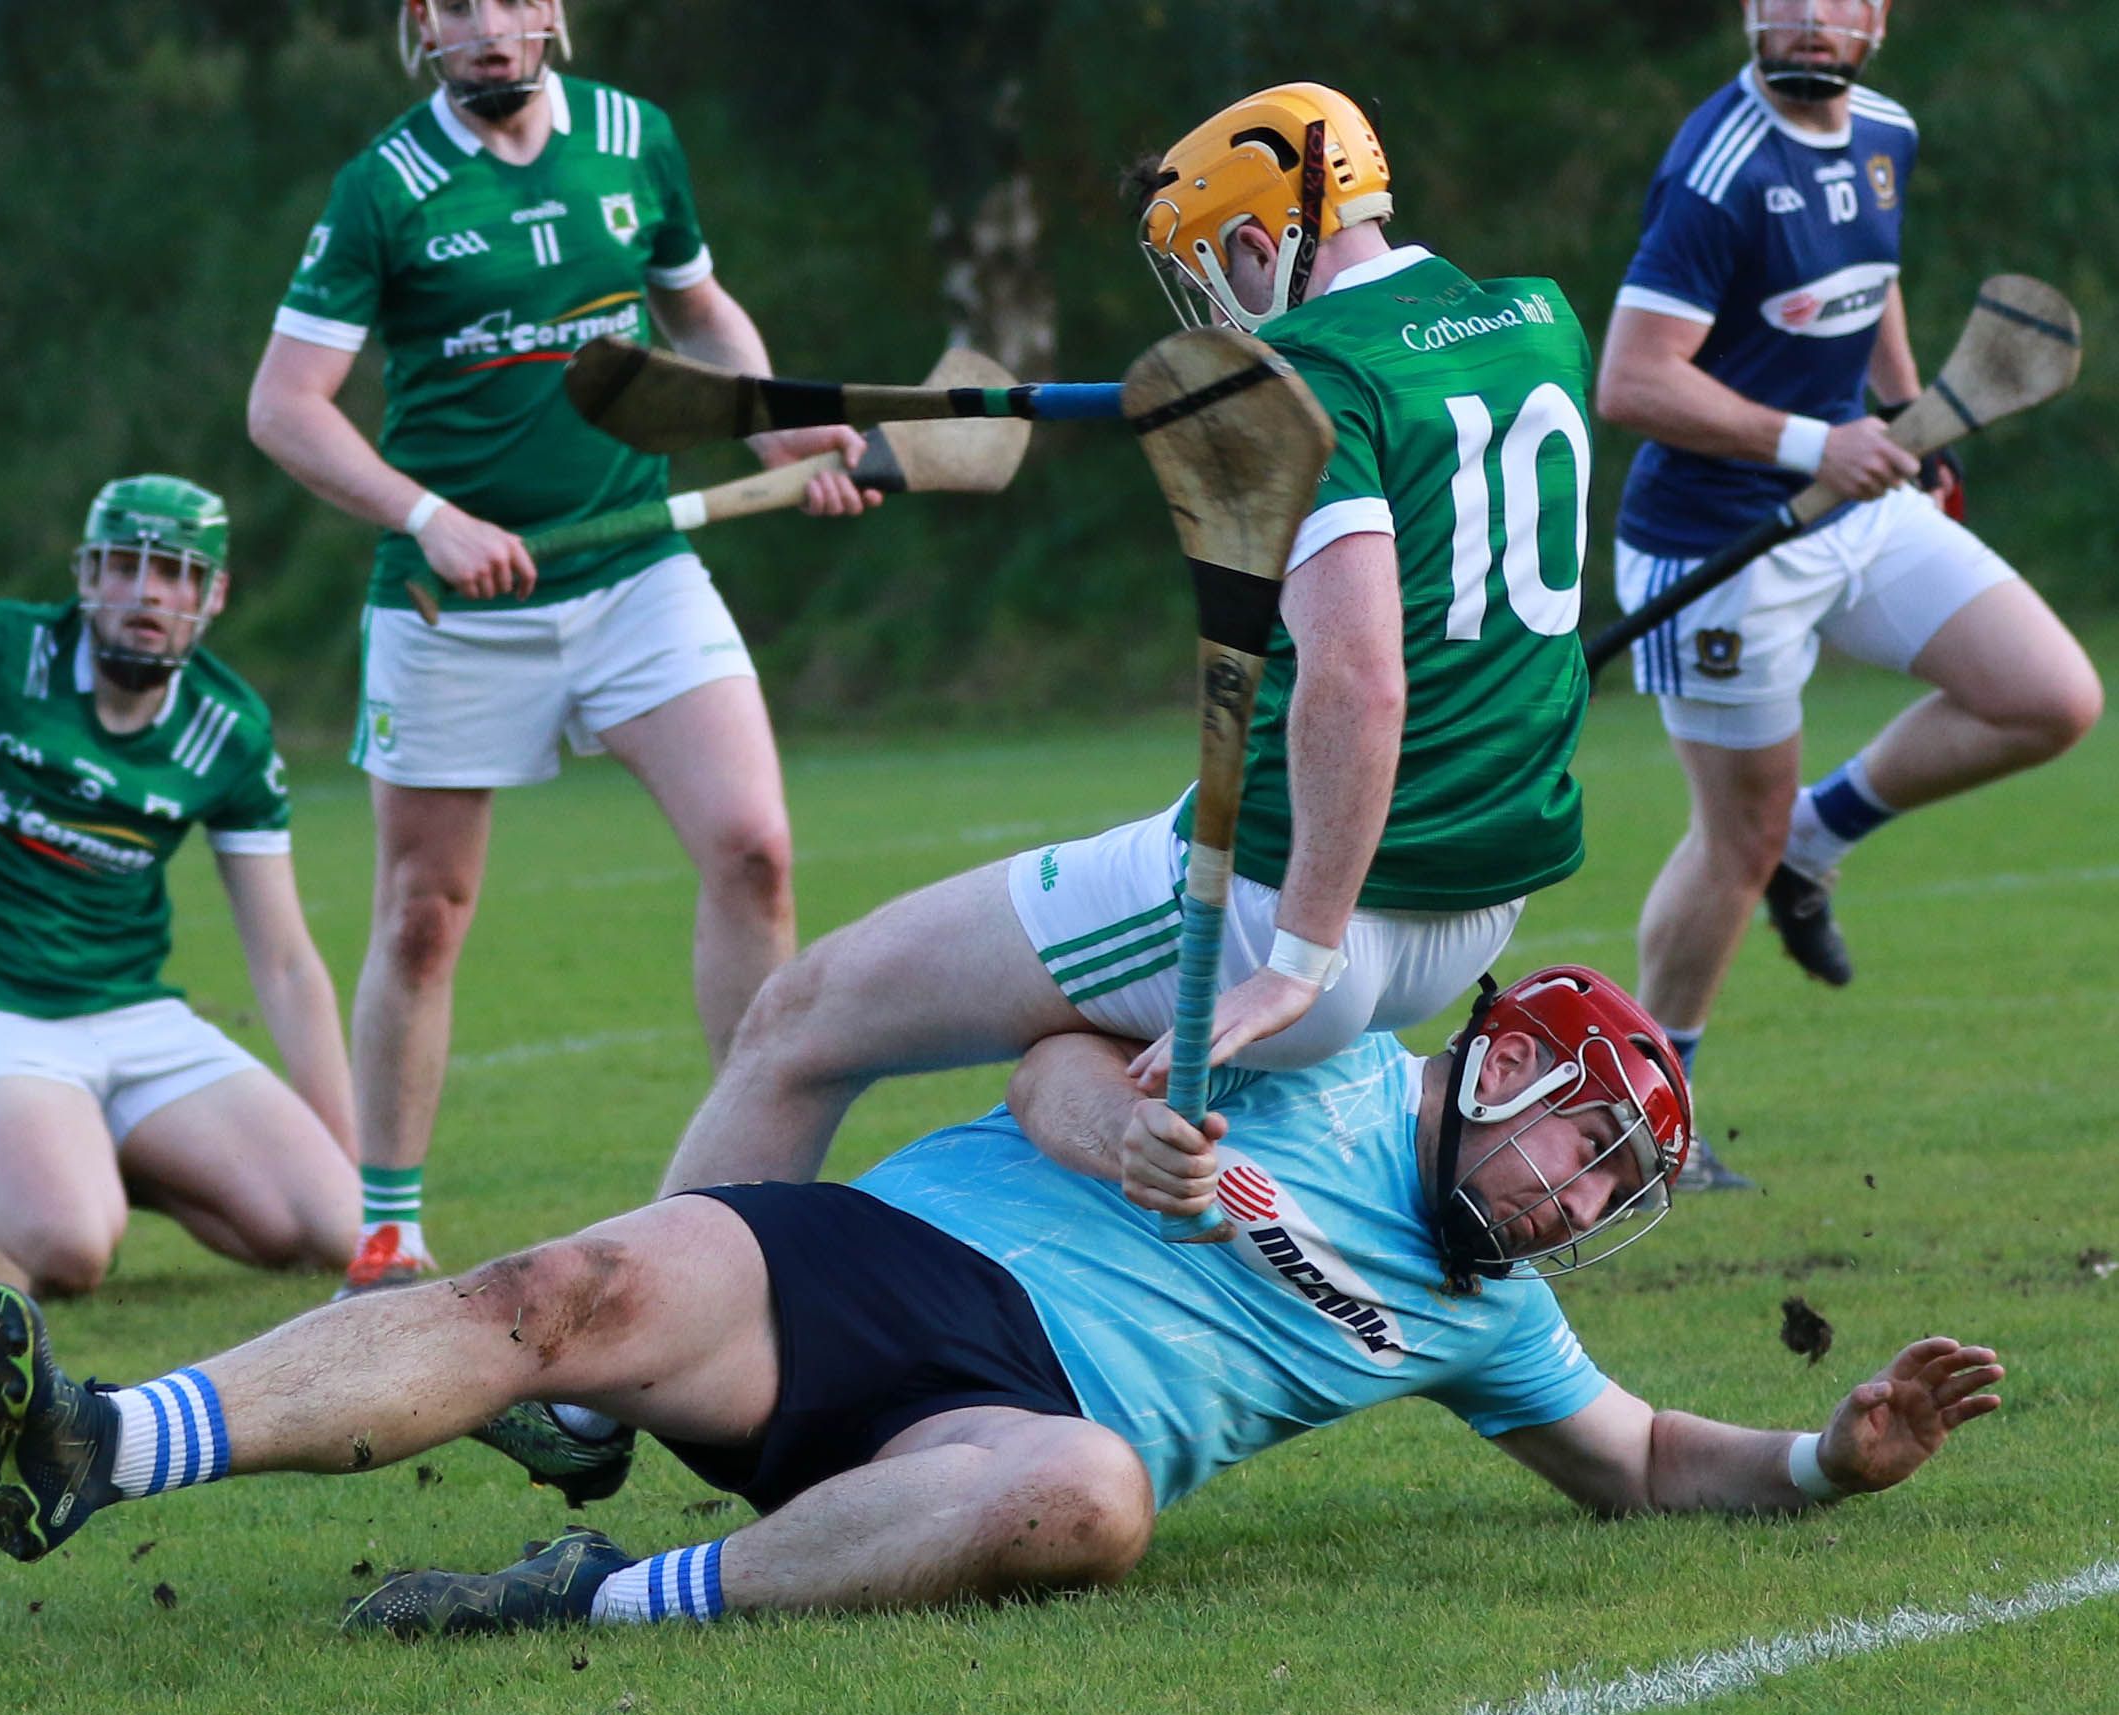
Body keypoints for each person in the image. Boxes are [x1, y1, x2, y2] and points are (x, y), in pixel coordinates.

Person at [0, 965, 2002, 1635]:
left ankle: (590, 1594)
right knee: (556, 1282)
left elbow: (1640, 1458)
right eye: (1575, 1147)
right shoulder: (1328, 1057)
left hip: (987, 1438)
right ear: (1498, 1075)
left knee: (1092, 1502)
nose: (1571, 1202)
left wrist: (1832, 1459)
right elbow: (1050, 1055)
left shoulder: (1481, 1323)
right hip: (895, 1260)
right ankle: (101, 1441)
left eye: (1611, 1191)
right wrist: (1132, 1136)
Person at [661, 81, 1595, 1197]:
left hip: (1294, 913)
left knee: (798, 1022)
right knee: (1076, 1059)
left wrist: (1296, 959)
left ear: (1263, 238)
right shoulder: (1537, 320)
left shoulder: (1290, 381)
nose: (1211, 313)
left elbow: (1358, 680)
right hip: (1481, 909)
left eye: (1211, 271)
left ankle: (626, 1349)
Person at [245, 0, 876, 1296]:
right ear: (422, 28)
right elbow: (284, 408)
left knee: (754, 852)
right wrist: (433, 519)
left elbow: (698, 312)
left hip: (639, 569)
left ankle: (757, 1190)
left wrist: (770, 427)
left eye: (506, 1)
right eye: (453, 7)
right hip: (453, 606)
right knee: (425, 916)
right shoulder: (384, 190)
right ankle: (391, 1226)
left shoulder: (635, 137)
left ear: (551, 14)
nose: (484, 29)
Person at [1594, 0, 2100, 1189]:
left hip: (1855, 496)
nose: (1813, 21)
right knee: (1733, 840)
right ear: (1750, 12)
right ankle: (1646, 1125)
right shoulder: (1717, 169)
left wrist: (1912, 417)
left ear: (1878, 17)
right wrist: (1807, 444)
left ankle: (1820, 838)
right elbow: (1631, 380)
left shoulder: (1885, 131)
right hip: (1716, 537)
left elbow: (1866, 285)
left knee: (2048, 695)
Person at [0, 476, 361, 1296]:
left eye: (176, 572)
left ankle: (86, 1148)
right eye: (123, 565)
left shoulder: (231, 730)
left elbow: (288, 961)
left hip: (139, 1018)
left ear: (214, 593)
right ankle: (55, 1174)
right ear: (86, 575)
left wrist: (371, 1198)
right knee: (70, 1249)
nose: (147, 590)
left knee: (333, 1230)